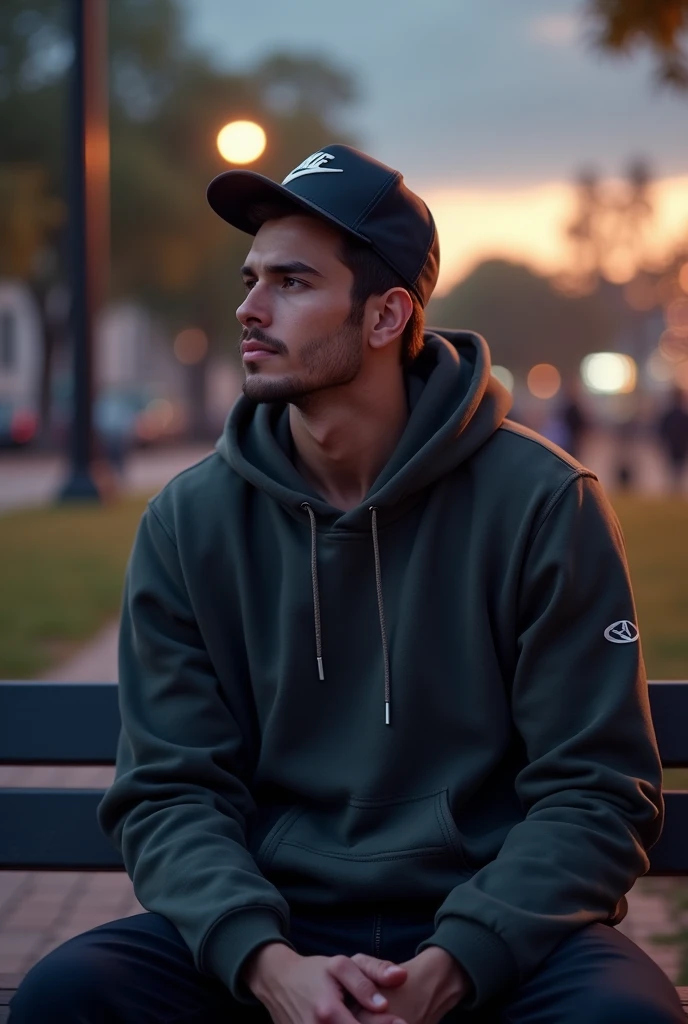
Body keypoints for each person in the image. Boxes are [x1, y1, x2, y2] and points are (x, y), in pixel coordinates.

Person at [10, 145, 683, 1024]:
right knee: (69, 998)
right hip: (276, 922)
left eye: (291, 282)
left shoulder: (544, 503)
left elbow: (594, 790)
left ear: (384, 315)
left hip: (492, 927)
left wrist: (452, 967)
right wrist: (267, 965)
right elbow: (172, 791)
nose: (249, 310)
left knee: (623, 1019)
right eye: (250, 279)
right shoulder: (192, 520)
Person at [657, 386, 688, 492]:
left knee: (674, 467)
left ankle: (675, 488)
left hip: (674, 444)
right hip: (677, 445)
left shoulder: (671, 414)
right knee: (676, 468)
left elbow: (662, 430)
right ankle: (675, 488)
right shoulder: (681, 415)